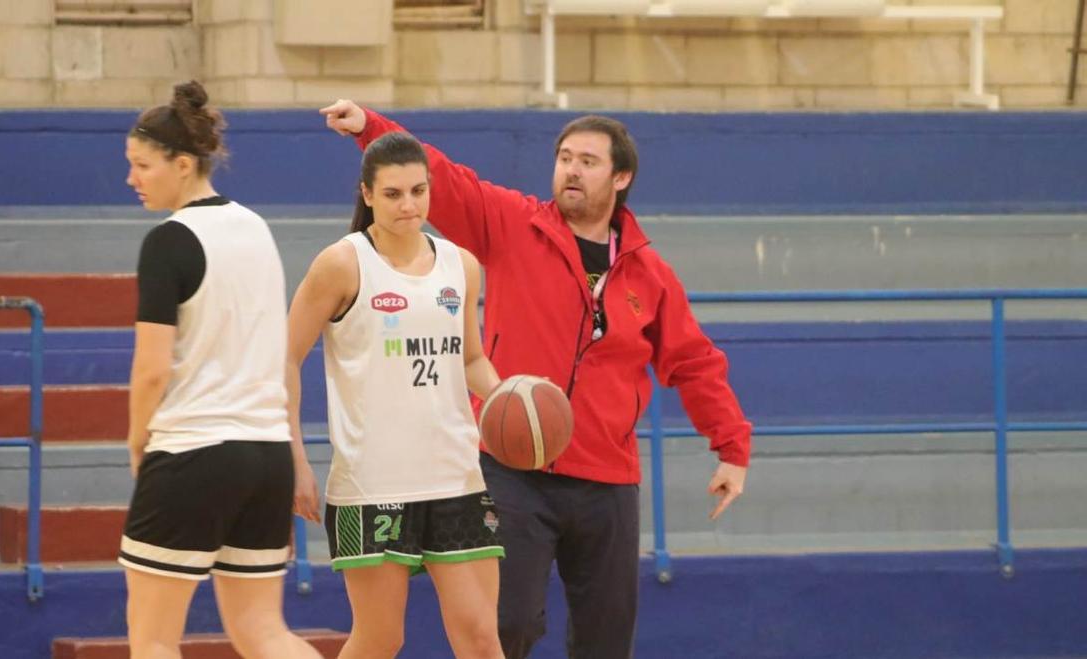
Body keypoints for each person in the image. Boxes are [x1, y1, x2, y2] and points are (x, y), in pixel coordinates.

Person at [319, 100, 753, 659]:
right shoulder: (512, 223)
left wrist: (731, 446)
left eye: (589, 161)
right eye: (565, 158)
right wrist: (370, 128)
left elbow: (693, 362)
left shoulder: (649, 273)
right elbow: (446, 180)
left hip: (608, 478)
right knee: (507, 626)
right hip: (512, 471)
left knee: (605, 641)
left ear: (621, 178)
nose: (571, 169)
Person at [119, 80, 320, 659]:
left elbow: (151, 369)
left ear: (183, 165)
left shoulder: (168, 241)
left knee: (153, 638)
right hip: (265, 454)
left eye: (142, 165)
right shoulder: (256, 228)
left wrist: (139, 444)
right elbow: (276, 351)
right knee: (264, 632)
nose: (132, 179)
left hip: (193, 449)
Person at [286, 131, 506, 659]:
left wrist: (510, 402)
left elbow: (470, 358)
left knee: (480, 638)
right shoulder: (341, 264)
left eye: (418, 191)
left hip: (455, 475)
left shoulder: (462, 265)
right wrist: (294, 459)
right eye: (393, 194)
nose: (409, 205)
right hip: (371, 483)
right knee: (381, 640)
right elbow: (285, 360)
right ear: (366, 195)